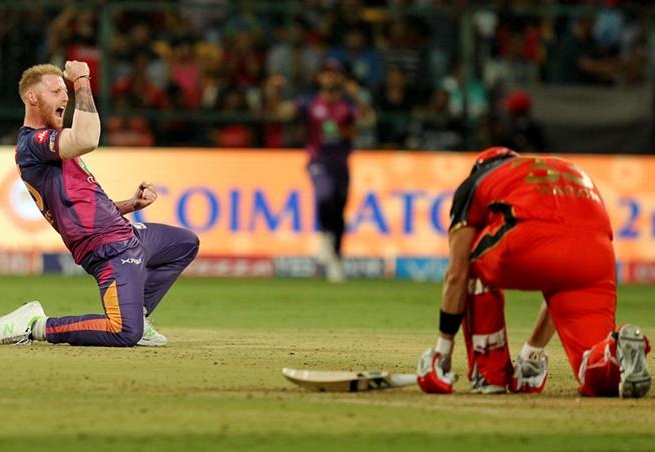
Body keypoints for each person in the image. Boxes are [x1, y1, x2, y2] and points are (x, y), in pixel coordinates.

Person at [0, 61, 199, 347]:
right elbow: (87, 138)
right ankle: (36, 326)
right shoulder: (33, 144)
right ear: (32, 98)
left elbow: (85, 205)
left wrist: (130, 204)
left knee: (185, 243)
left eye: (66, 90)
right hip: (107, 248)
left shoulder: (54, 146)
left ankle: (140, 314)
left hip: (126, 234)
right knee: (124, 332)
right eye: (55, 91)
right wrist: (82, 80)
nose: (65, 96)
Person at [417, 146, 651, 398]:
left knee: (467, 260)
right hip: (596, 256)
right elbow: (559, 268)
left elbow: (456, 275)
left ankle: (489, 373)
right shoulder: (567, 170)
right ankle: (615, 351)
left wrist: (443, 349)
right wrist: (532, 354)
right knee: (594, 368)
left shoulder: (478, 180)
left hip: (529, 239)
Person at [277, 58, 374, 282]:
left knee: (339, 210)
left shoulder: (348, 104)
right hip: (318, 160)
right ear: (320, 77)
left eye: (334, 73)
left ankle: (336, 258)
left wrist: (359, 97)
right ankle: (323, 238)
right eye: (326, 73)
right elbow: (283, 113)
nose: (330, 78)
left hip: (341, 162)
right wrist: (277, 93)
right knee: (324, 195)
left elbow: (368, 121)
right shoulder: (310, 101)